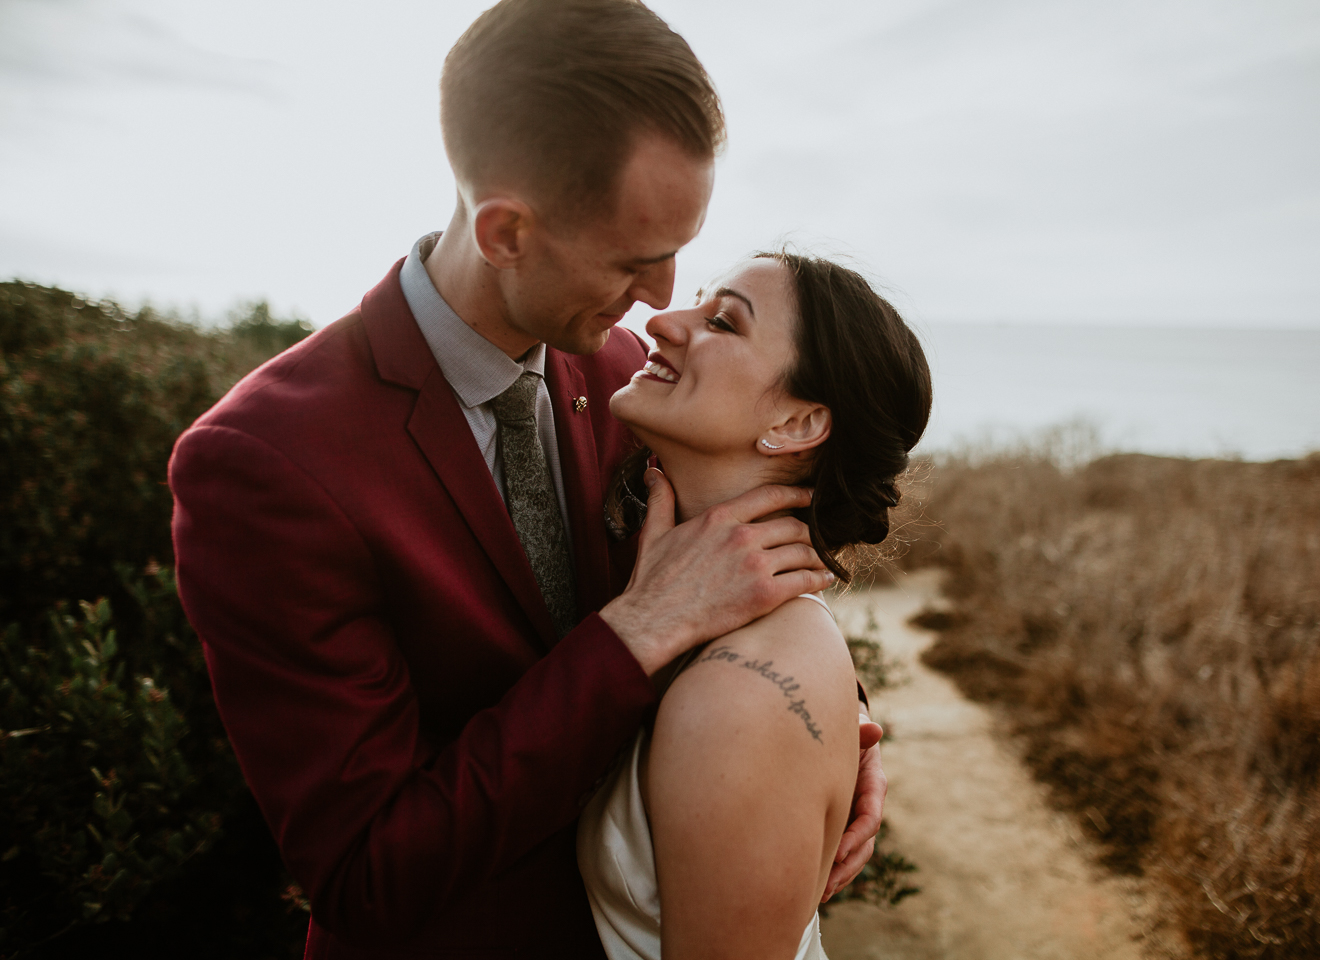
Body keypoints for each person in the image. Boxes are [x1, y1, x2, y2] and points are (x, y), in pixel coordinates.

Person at [167, 1, 887, 957]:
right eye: (637, 259)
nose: (666, 296)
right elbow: (366, 878)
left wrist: (832, 734)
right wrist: (637, 633)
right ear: (506, 231)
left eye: (683, 246)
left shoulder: (631, 378)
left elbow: (747, 554)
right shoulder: (266, 465)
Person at [576, 251, 931, 960]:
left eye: (721, 321)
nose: (661, 320)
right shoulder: (738, 627)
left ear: (797, 424)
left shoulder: (739, 700)